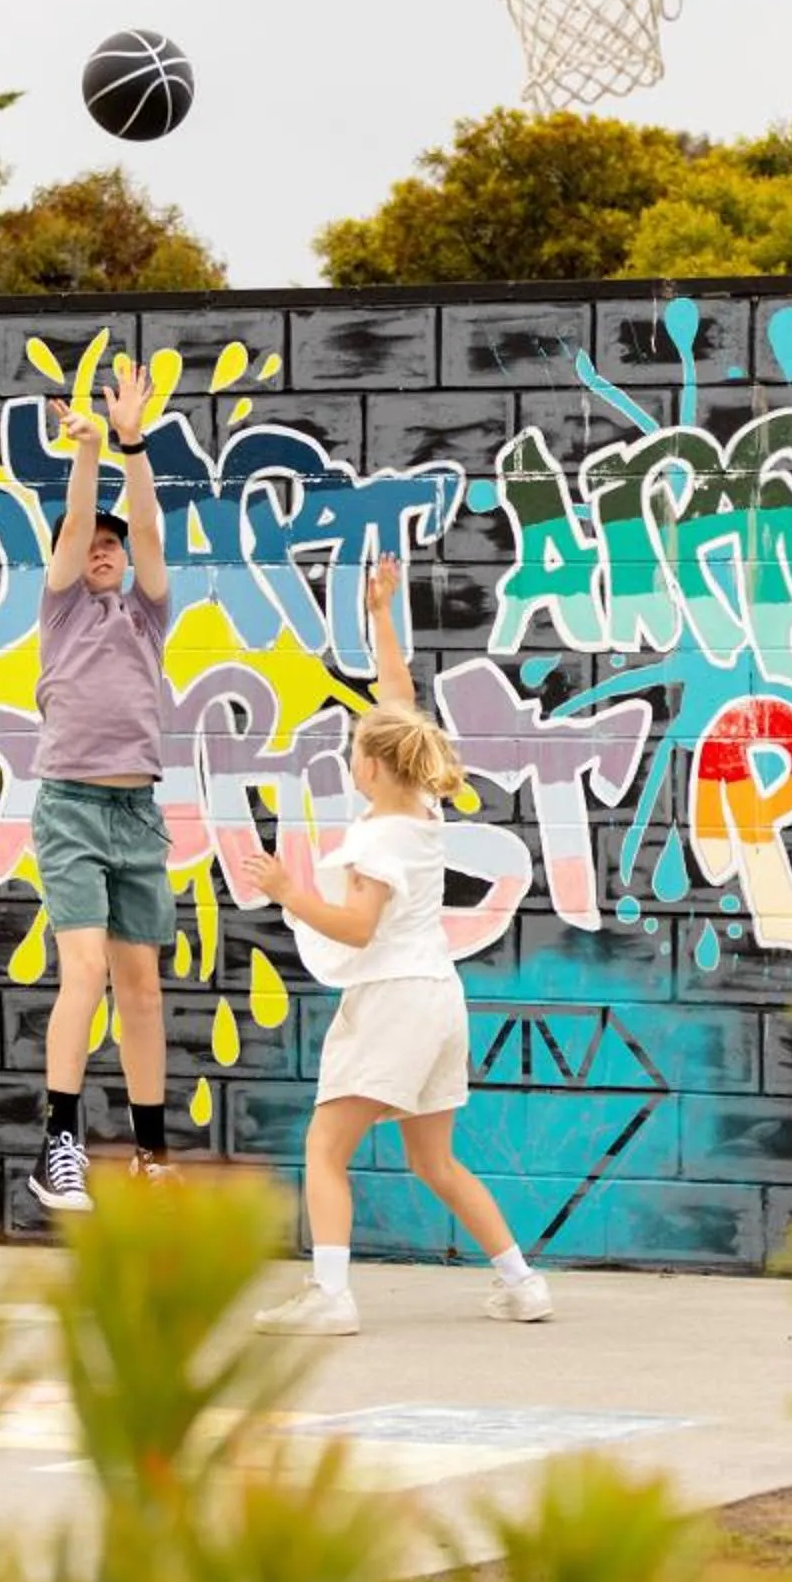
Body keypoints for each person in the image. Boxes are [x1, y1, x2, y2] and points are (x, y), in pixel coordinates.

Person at [240, 554, 554, 1334]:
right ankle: (521, 1284)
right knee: (433, 1161)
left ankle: (332, 1297)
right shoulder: (421, 810)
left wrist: (287, 892)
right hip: (439, 997)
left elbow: (355, 928)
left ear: (375, 770)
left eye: (355, 756)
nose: (351, 763)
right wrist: (379, 613)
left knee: (324, 1147)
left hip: (391, 1001)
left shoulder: (378, 838)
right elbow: (399, 704)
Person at [26, 353, 177, 1213]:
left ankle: (150, 1150)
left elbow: (147, 528)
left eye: (113, 545)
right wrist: (84, 451)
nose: (106, 550)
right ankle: (60, 1146)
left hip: (137, 812)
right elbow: (82, 517)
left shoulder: (149, 613)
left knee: (142, 986)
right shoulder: (63, 608)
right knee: (82, 971)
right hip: (73, 809)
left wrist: (129, 442)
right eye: (93, 546)